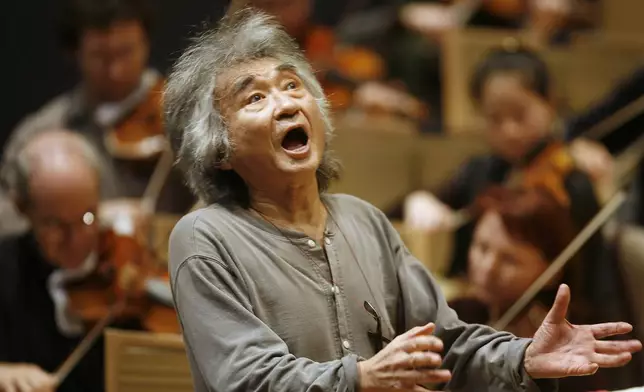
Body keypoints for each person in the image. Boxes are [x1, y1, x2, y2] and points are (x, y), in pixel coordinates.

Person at [163, 8, 641, 391]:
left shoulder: (365, 221)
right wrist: (362, 379)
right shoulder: (205, 238)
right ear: (219, 149)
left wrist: (523, 357)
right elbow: (248, 380)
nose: (287, 102)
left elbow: (446, 345)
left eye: (292, 86)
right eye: (255, 99)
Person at [389, 45, 611, 276]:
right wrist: (418, 199)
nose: (509, 131)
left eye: (519, 114)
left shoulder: (572, 182)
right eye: (495, 118)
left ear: (550, 104)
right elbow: (403, 210)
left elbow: (593, 275)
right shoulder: (481, 170)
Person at [1, 0, 194, 236]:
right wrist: (89, 216)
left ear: (146, 42)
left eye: (126, 51)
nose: (116, 70)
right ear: (75, 53)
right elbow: (6, 215)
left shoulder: (186, 115)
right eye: (100, 56)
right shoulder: (42, 131)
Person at [449, 185, 642, 391]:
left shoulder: (570, 344)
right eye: (481, 247)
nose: (487, 269)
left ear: (552, 273)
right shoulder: (453, 315)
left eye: (510, 260)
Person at [0, 130, 109, 392]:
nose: (77, 240)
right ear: (22, 208)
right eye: (55, 225)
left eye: (87, 218)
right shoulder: (4, 269)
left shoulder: (123, 265)